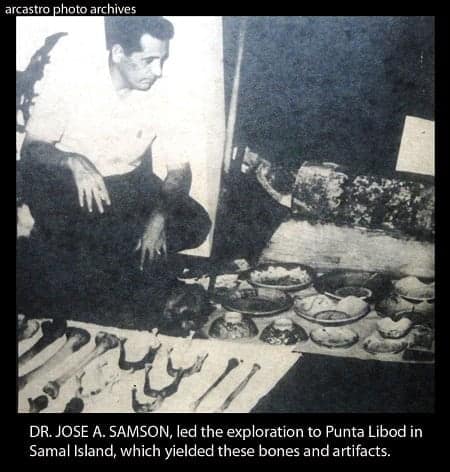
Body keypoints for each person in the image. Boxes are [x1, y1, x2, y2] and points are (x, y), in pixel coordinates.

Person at [18, 17, 211, 323]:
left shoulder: (163, 94)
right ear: (118, 53)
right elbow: (32, 150)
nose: (157, 71)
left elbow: (179, 170)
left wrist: (158, 220)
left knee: (196, 221)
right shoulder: (73, 85)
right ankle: (118, 276)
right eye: (148, 61)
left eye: (161, 60)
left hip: (130, 185)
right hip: (72, 187)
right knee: (93, 243)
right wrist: (73, 160)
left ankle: (119, 268)